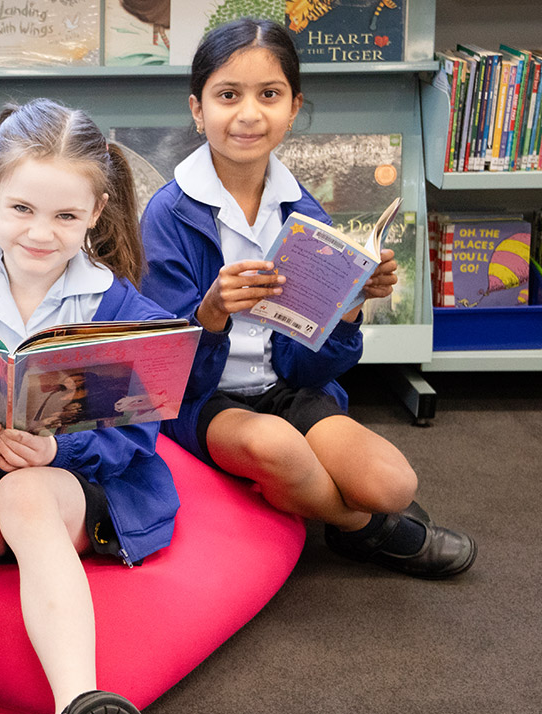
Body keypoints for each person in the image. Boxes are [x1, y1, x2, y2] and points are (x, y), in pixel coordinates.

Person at [136, 18, 475, 579]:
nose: (249, 114)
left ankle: (357, 510)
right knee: (279, 448)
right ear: (197, 110)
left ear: (294, 108)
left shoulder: (305, 214)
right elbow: (166, 378)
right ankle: (363, 528)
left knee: (393, 483)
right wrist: (211, 313)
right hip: (202, 402)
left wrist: (348, 307)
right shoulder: (167, 216)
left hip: (284, 387)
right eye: (228, 95)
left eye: (269, 95)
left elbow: (308, 369)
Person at [0, 98, 191, 714]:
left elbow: (133, 436)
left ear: (96, 213)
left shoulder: (123, 311)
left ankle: (79, 699)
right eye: (22, 209)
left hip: (72, 490)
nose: (39, 233)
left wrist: (58, 449)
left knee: (26, 492)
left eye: (65, 216)